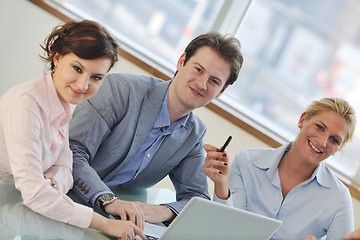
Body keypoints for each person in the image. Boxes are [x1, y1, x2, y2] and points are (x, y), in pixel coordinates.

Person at [68, 31, 244, 228]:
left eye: (214, 81)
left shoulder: (193, 134)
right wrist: (110, 201)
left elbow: (196, 199)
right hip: (64, 196)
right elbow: (71, 152)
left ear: (221, 91)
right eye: (198, 69)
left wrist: (161, 211)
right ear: (182, 61)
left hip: (115, 222)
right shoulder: (121, 89)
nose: (202, 84)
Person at [0, 20, 146, 240]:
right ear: (57, 58)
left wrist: (55, 182)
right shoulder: (26, 103)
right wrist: (104, 224)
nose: (82, 85)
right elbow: (35, 193)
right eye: (77, 69)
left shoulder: (61, 103)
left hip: (17, 210)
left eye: (96, 78)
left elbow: (65, 166)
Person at [204, 97, 356, 239]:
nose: (323, 142)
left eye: (334, 140)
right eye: (319, 127)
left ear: (339, 148)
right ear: (303, 119)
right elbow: (226, 228)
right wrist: (221, 185)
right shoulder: (246, 162)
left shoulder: (338, 198)